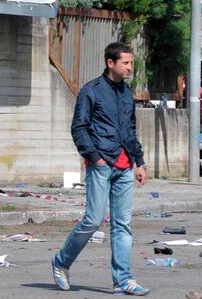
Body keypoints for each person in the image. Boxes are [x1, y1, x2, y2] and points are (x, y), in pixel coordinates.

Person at [51, 42, 150, 296]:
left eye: (131, 62)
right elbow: (79, 128)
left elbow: (130, 129)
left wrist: (139, 162)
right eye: (126, 63)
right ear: (111, 63)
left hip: (125, 165)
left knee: (123, 224)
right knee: (93, 220)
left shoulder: (127, 93)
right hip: (101, 164)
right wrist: (95, 158)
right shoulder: (91, 91)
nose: (130, 67)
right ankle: (61, 262)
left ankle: (123, 280)